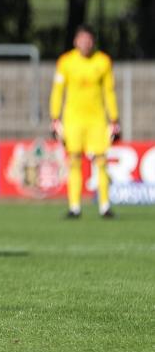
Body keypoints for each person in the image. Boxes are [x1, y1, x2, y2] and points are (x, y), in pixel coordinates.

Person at [49, 25, 120, 218]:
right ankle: (75, 207)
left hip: (97, 119)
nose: (85, 43)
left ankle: (104, 206)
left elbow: (109, 91)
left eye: (88, 40)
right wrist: (55, 117)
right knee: (74, 161)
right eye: (81, 39)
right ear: (75, 41)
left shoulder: (103, 61)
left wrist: (114, 118)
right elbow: (57, 91)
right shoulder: (66, 62)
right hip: (73, 119)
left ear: (93, 41)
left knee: (102, 161)